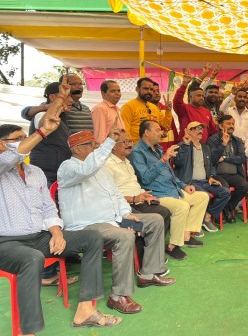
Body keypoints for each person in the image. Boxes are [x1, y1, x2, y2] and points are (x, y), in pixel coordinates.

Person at [0, 91, 120, 333]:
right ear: (2, 145)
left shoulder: (35, 172)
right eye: (17, 139)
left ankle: (86, 310)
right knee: (31, 259)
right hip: (8, 243)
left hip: (39, 238)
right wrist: (42, 132)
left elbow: (47, 207)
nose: (26, 141)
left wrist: (56, 232)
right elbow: (15, 155)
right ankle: (27, 330)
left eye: (26, 137)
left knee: (92, 238)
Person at [58, 128, 175, 315]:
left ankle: (148, 274)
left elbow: (116, 194)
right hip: (87, 225)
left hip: (112, 220)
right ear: (77, 149)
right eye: (91, 145)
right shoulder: (68, 167)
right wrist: (110, 141)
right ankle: (118, 296)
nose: (96, 148)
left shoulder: (99, 169)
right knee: (123, 237)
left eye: (96, 144)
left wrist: (125, 213)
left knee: (155, 220)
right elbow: (87, 169)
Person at [129, 120, 209, 260]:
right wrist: (163, 159)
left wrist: (183, 185)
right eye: (158, 130)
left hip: (173, 189)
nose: (161, 133)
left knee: (202, 197)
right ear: (146, 132)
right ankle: (173, 245)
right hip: (157, 193)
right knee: (182, 207)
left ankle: (186, 234)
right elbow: (145, 178)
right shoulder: (137, 152)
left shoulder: (157, 148)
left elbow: (170, 174)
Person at [105, 130, 171, 234]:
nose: (129, 145)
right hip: (125, 205)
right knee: (153, 218)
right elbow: (109, 196)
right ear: (113, 146)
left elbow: (134, 185)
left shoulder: (127, 162)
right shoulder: (108, 165)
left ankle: (156, 248)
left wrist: (145, 195)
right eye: (125, 142)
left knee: (165, 212)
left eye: (130, 141)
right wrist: (134, 199)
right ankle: (144, 248)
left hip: (139, 200)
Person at [174, 122, 231, 233]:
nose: (200, 130)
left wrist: (211, 176)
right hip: (190, 182)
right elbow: (178, 163)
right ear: (188, 131)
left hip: (205, 181)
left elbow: (212, 163)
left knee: (225, 192)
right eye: (196, 128)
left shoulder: (205, 147)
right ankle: (197, 222)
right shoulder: (182, 145)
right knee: (204, 196)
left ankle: (206, 217)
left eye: (201, 128)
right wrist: (186, 145)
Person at [28, 82, 73, 186]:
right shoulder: (41, 115)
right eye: (67, 96)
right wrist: (60, 99)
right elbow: (44, 124)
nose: (71, 100)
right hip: (45, 177)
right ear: (53, 97)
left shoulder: (61, 119)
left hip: (57, 175)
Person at [207, 115, 248, 224]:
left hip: (234, 174)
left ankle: (228, 208)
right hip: (218, 174)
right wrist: (223, 144)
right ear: (221, 126)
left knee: (244, 186)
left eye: (233, 124)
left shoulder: (237, 141)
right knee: (224, 188)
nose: (231, 126)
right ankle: (224, 211)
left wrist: (226, 158)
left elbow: (241, 158)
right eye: (228, 123)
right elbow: (213, 158)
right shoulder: (213, 140)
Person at [121, 77, 173, 143]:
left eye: (151, 89)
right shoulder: (128, 107)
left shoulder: (154, 107)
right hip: (136, 149)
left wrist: (168, 111)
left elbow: (166, 125)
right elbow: (125, 131)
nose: (149, 91)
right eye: (146, 89)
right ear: (137, 89)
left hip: (153, 148)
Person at [150, 81, 179, 151]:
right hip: (157, 150)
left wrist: (176, 144)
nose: (157, 93)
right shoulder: (147, 109)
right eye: (153, 91)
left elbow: (173, 127)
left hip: (171, 148)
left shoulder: (165, 108)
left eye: (158, 90)